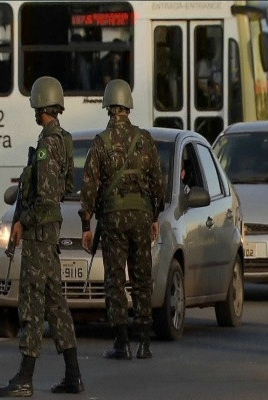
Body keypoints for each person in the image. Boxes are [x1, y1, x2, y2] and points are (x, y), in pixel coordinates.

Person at [0, 76, 84, 397]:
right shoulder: (63, 140)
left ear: (39, 105)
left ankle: (25, 378)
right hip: (49, 232)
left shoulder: (47, 145)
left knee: (31, 303)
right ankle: (73, 374)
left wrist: (22, 223)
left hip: (40, 234)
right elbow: (64, 187)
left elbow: (45, 197)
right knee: (56, 305)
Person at [80, 79, 165, 360]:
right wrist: (154, 216)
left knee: (115, 279)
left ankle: (121, 342)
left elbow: (89, 188)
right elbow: (157, 182)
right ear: (128, 106)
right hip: (141, 217)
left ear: (108, 107)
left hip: (113, 219)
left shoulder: (101, 143)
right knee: (141, 276)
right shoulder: (144, 140)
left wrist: (86, 225)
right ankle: (144, 342)